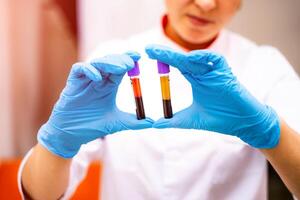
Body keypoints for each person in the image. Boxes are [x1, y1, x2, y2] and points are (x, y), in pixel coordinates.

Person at [19, 0, 300, 199]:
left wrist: (270, 133)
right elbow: (40, 195)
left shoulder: (264, 65)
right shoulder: (112, 61)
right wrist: (57, 142)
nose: (205, 3)